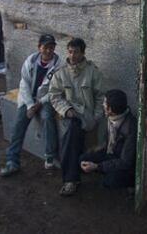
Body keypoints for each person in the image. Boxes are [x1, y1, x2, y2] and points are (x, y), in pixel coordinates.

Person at [0, 34, 62, 177]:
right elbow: (24, 84)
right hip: (28, 99)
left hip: (46, 100)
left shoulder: (59, 65)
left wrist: (38, 103)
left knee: (46, 117)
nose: (48, 51)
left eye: (51, 47)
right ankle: (12, 162)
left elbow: (55, 90)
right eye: (45, 47)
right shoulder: (31, 60)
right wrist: (30, 105)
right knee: (19, 124)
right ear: (39, 47)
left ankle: (50, 154)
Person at [48, 38, 104, 196]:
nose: (72, 55)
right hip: (69, 115)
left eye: (76, 52)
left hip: (87, 116)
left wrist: (96, 117)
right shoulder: (61, 73)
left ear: (83, 52)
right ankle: (71, 179)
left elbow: (101, 97)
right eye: (70, 51)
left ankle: (72, 178)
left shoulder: (93, 72)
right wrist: (66, 110)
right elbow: (54, 96)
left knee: (74, 138)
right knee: (72, 132)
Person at [80, 89, 136, 190]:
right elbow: (109, 143)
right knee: (83, 159)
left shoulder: (131, 128)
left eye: (105, 103)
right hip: (111, 154)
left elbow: (125, 162)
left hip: (124, 163)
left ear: (110, 109)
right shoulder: (112, 117)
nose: (103, 104)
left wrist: (97, 166)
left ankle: (131, 185)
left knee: (110, 181)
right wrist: (98, 149)